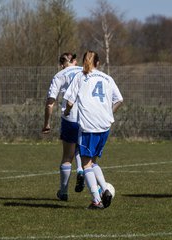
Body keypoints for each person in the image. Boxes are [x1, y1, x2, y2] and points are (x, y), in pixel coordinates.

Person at [63, 50, 123, 209]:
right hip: (105, 126)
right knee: (92, 162)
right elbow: (119, 100)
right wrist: (109, 112)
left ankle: (97, 201)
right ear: (98, 63)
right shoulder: (107, 78)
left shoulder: (80, 77)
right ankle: (105, 190)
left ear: (84, 62)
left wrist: (67, 113)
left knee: (85, 165)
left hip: (89, 125)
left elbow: (69, 102)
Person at [42, 52, 85, 201]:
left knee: (67, 155)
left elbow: (50, 102)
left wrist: (47, 123)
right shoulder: (86, 70)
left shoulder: (60, 75)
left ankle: (64, 192)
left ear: (61, 64)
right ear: (75, 60)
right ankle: (81, 170)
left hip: (70, 116)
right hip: (88, 116)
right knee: (82, 148)